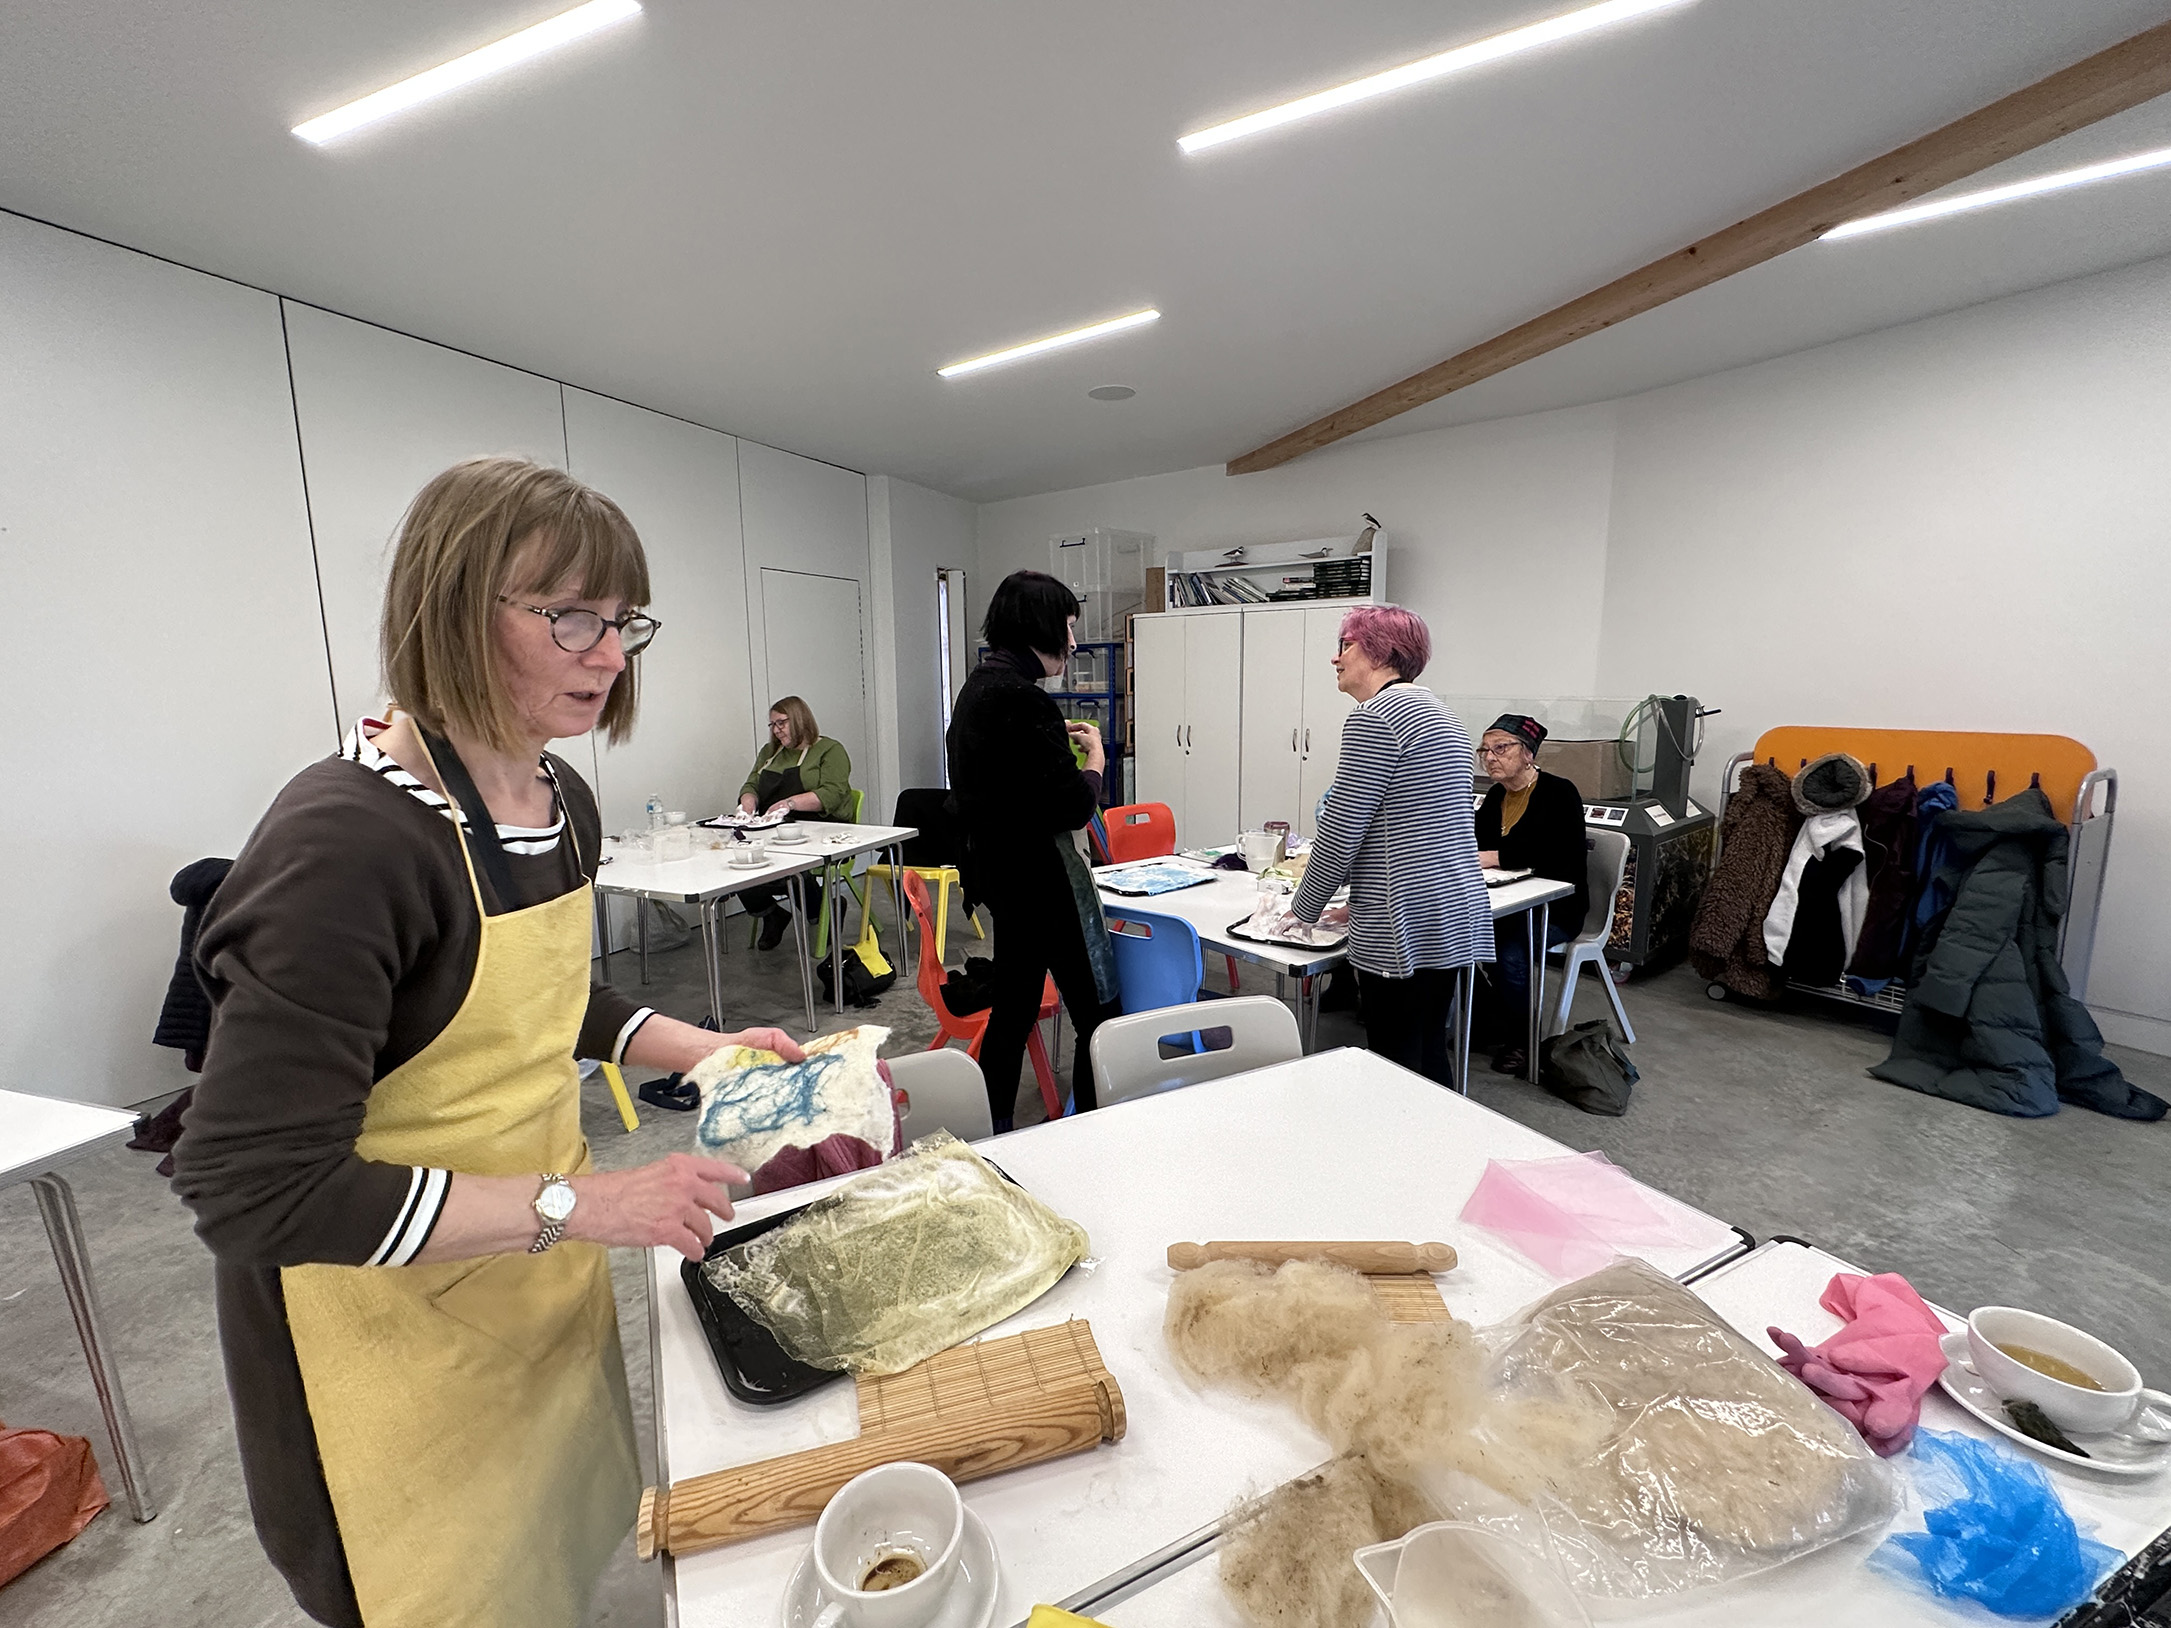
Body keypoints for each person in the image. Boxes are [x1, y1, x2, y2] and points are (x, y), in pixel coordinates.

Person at [171, 456, 803, 1628]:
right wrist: (584, 1204)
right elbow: (251, 1189)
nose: (608, 654)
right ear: (454, 607)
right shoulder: (347, 842)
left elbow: (539, 999)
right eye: (569, 615)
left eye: (622, 619)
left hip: (525, 1272)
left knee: (546, 1551)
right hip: (381, 1330)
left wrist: (702, 1048)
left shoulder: (558, 796)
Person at [946, 570, 1122, 1129]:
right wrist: (1096, 759)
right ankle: (1091, 1132)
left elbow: (1001, 787)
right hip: (1045, 883)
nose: (1073, 641)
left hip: (1002, 878)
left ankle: (993, 1129)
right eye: (1067, 626)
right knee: (1098, 1015)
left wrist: (1049, 746)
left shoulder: (977, 690)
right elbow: (1072, 807)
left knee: (1014, 1009)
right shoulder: (1024, 700)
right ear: (1038, 627)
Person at [1289, 604, 1489, 1086]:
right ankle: (1441, 1132)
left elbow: (1342, 829)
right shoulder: (1442, 715)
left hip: (1404, 916)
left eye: (1346, 645)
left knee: (1394, 1062)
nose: (1336, 658)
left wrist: (1304, 908)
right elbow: (1415, 829)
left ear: (1379, 653)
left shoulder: (1376, 717)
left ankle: (1404, 1135)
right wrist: (1355, 902)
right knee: (1427, 1048)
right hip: (1452, 907)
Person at [1474, 713, 1590, 1075]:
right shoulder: (1496, 796)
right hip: (1507, 902)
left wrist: (1496, 857)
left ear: (1528, 754)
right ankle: (1490, 1018)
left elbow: (1560, 854)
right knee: (1460, 937)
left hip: (1557, 909)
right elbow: (1477, 843)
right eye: (1484, 750)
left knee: (1510, 951)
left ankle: (1523, 1040)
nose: (1490, 757)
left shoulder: (1559, 792)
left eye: (1501, 748)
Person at [734, 695, 855, 949]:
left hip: (822, 828)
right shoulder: (770, 752)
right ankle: (772, 914)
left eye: (782, 723)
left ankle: (822, 910)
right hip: (777, 828)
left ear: (800, 719)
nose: (776, 730)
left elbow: (832, 793)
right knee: (738, 861)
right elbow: (751, 784)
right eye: (772, 725)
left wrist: (790, 803)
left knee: (792, 867)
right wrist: (747, 804)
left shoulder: (830, 750)